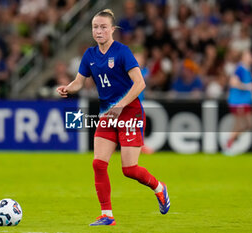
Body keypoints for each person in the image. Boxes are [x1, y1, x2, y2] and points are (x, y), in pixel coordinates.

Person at [56, 9, 170, 226]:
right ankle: (107, 215)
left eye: (103, 27)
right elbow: (79, 81)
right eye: (95, 27)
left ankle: (159, 188)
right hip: (108, 114)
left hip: (129, 112)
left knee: (129, 170)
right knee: (98, 164)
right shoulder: (90, 55)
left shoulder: (122, 52)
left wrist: (120, 105)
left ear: (112, 30)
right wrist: (68, 88)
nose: (98, 31)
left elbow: (140, 83)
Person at [225, 50, 252, 154]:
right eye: (248, 55)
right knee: (241, 124)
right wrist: (247, 87)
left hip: (244, 101)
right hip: (238, 102)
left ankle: (230, 142)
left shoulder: (247, 69)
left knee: (248, 124)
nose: (251, 57)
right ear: (243, 57)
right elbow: (233, 82)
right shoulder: (240, 68)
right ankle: (228, 144)